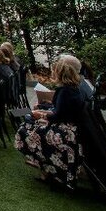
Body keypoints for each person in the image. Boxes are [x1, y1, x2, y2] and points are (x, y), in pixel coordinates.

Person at [15, 58, 85, 189]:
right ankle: (44, 166)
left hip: (65, 132)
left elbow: (58, 115)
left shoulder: (64, 90)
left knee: (25, 130)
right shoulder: (72, 88)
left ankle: (45, 166)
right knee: (30, 121)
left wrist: (41, 114)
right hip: (70, 128)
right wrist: (43, 109)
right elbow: (60, 111)